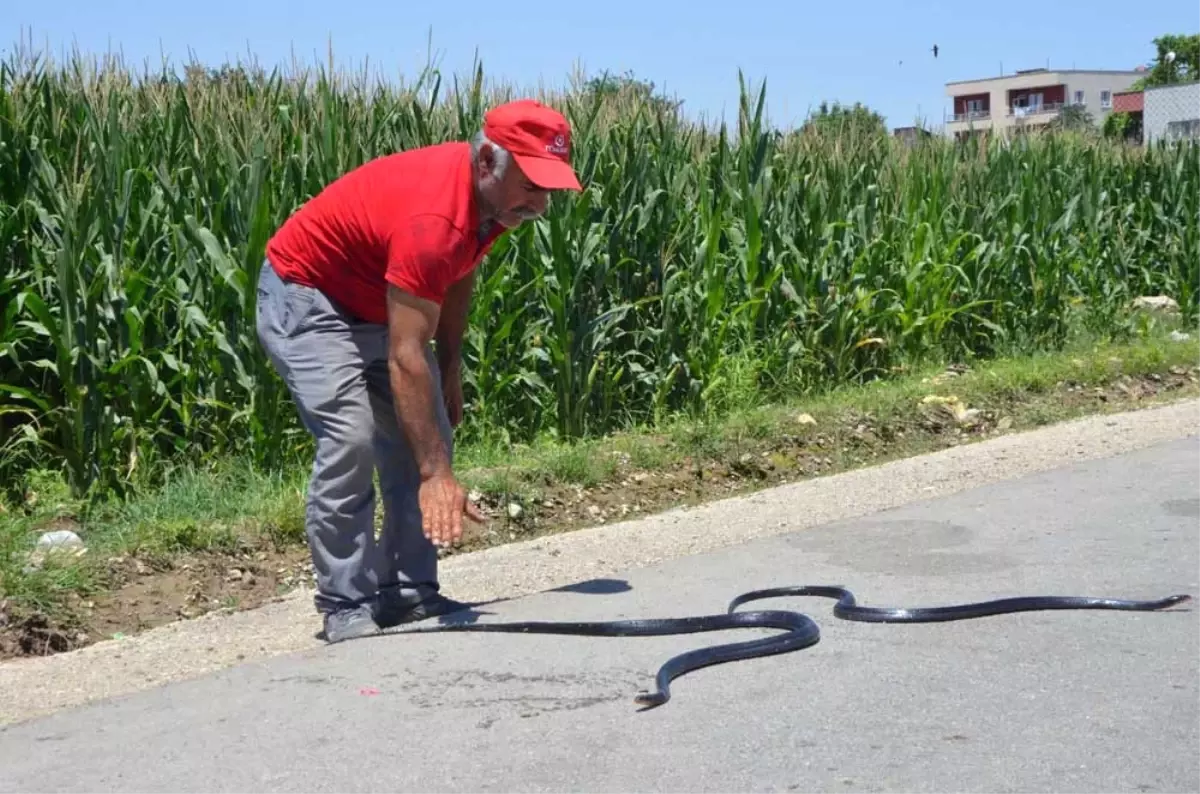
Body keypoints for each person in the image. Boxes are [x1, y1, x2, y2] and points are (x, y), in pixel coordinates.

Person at [255, 99, 584, 643]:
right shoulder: (434, 216)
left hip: (381, 300)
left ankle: (407, 594)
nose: (541, 203)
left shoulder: (496, 203)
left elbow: (456, 275)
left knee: (428, 428)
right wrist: (436, 476)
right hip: (310, 298)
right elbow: (406, 354)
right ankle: (345, 606)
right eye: (532, 184)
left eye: (549, 188)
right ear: (486, 161)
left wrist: (451, 366)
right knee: (352, 439)